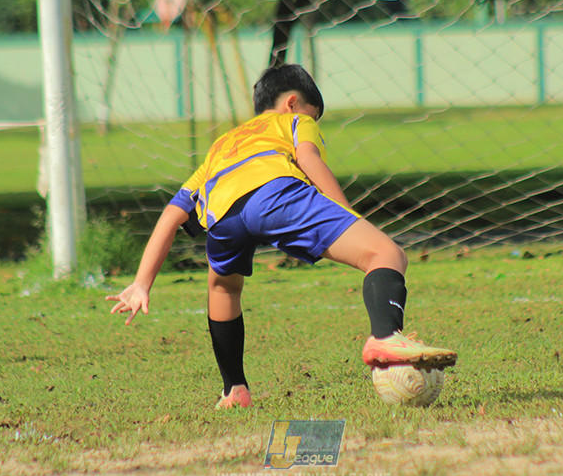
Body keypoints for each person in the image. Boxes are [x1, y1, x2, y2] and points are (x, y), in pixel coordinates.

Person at [107, 63, 457, 408]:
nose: (313, 123)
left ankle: (235, 390)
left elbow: (172, 214)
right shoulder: (293, 121)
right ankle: (385, 337)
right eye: (312, 115)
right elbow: (307, 157)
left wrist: (142, 282)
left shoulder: (223, 144)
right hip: (274, 196)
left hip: (223, 217)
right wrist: (347, 217)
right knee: (387, 254)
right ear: (292, 102)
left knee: (222, 287)